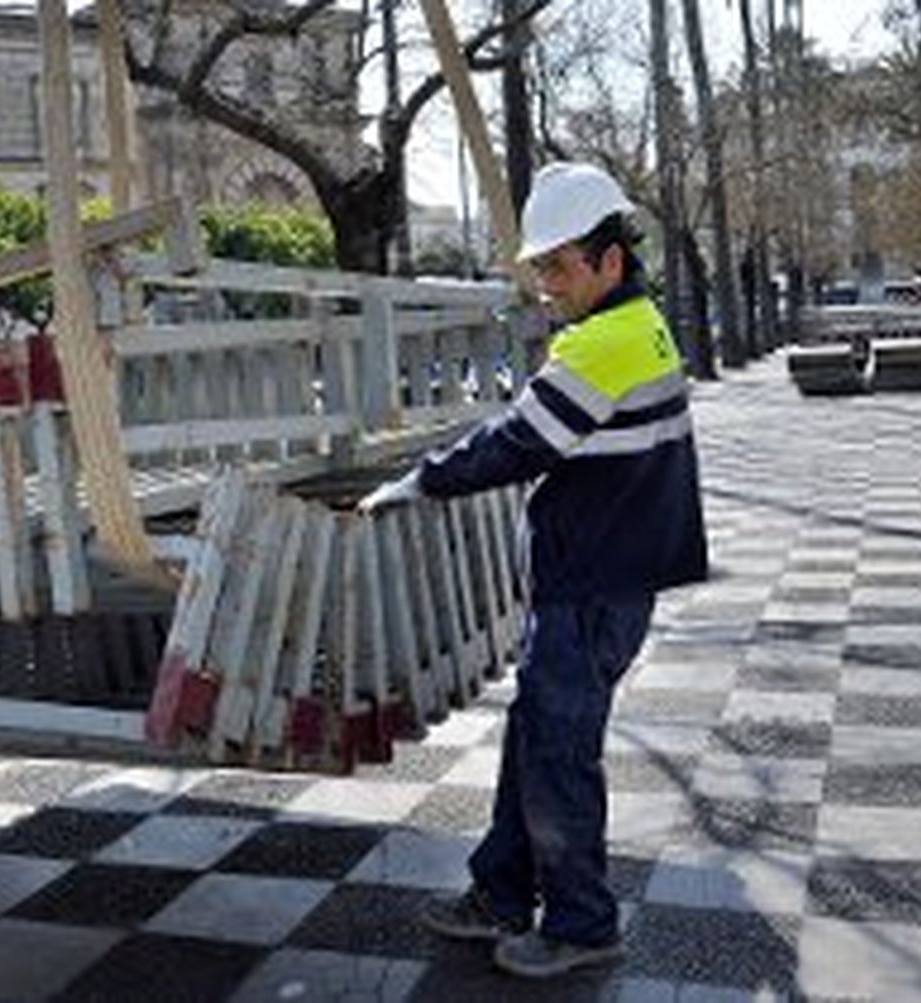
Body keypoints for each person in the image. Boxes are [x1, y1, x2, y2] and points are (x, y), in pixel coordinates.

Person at [357, 162, 708, 979]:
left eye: (558, 267)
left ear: (609, 262)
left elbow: (521, 440)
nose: (544, 285)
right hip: (611, 573)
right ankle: (501, 891)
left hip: (592, 581)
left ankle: (584, 923)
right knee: (537, 735)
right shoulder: (642, 322)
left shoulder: (604, 341)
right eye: (539, 267)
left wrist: (424, 477)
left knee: (557, 749)